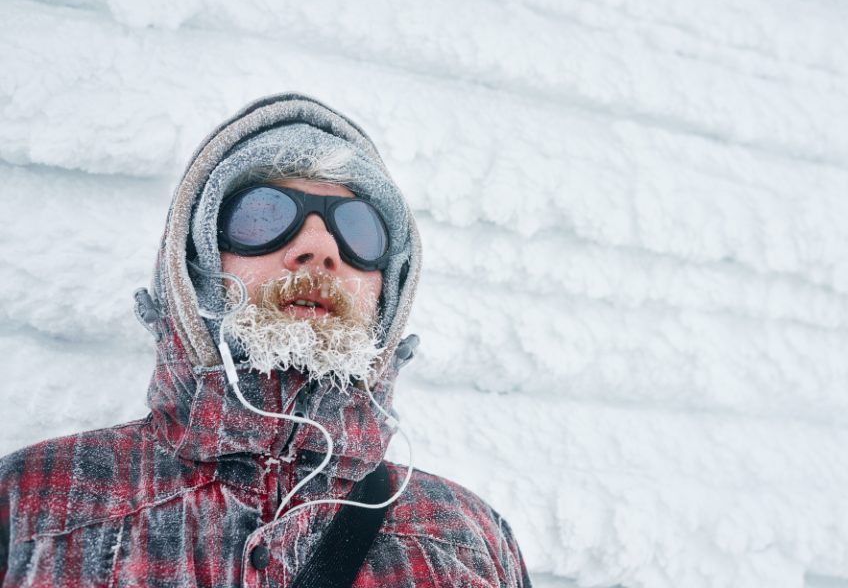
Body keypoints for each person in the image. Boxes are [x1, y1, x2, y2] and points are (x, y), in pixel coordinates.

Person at [0, 93, 531, 587]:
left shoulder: (467, 539)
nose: (319, 249)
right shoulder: (35, 503)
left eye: (358, 230)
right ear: (195, 267)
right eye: (264, 217)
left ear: (387, 289)